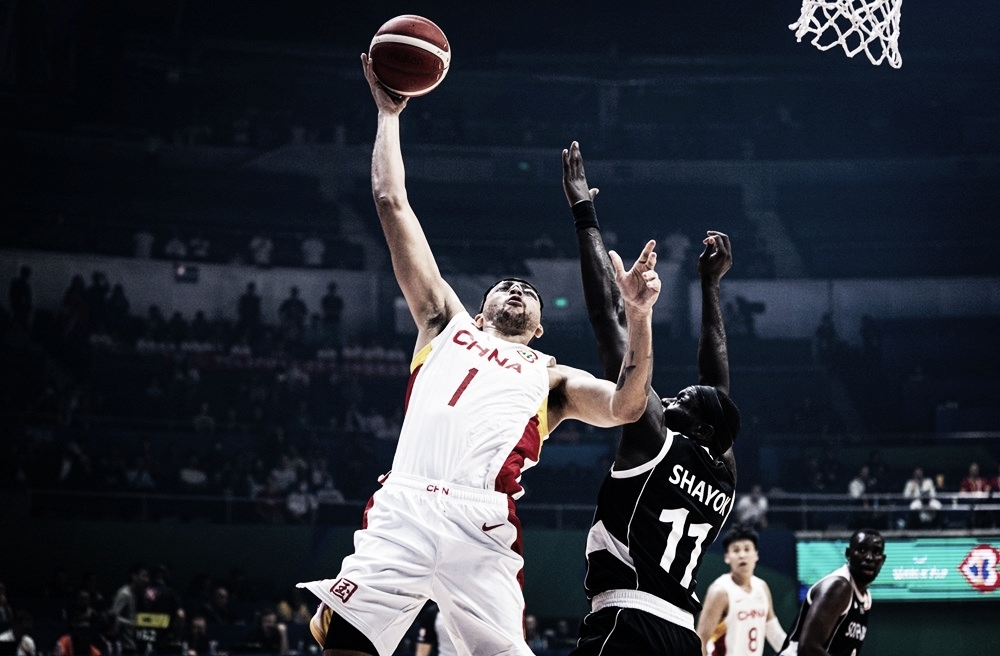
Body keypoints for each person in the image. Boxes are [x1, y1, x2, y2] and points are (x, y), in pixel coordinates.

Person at [297, 57, 662, 656]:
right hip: (406, 507)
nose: (517, 289)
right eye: (506, 285)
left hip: (485, 525)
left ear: (539, 326)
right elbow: (392, 202)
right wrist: (389, 115)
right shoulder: (444, 321)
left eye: (530, 292)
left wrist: (639, 318)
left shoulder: (552, 377)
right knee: (343, 645)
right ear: (483, 303)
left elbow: (627, 406)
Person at [562, 140, 739, 656]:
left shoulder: (653, 436)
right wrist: (709, 286)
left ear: (700, 427)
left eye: (687, 398)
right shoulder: (724, 475)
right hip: (682, 635)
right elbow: (718, 383)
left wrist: (583, 213)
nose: (678, 392)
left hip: (627, 622)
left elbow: (606, 322)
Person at [778, 529, 885, 656]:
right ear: (848, 554)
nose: (869, 557)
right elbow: (808, 648)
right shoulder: (839, 587)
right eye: (862, 550)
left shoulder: (865, 598)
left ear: (883, 560)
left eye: (876, 552)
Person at [696, 526, 786, 656]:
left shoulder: (762, 587)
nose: (742, 555)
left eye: (747, 549)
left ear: (756, 555)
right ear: (727, 557)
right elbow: (701, 640)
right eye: (736, 550)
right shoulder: (720, 591)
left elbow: (774, 633)